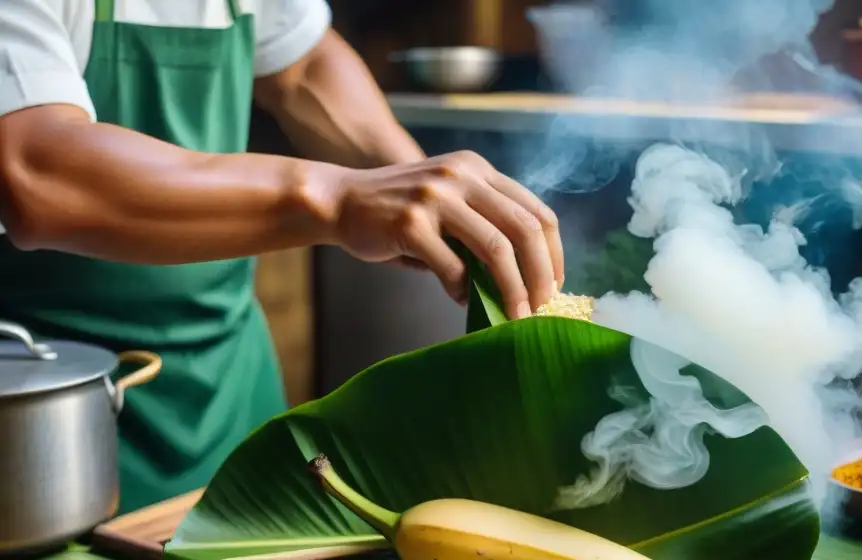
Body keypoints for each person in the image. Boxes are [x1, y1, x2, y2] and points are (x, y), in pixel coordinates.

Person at [0, 0, 565, 514]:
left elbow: (302, 66)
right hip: (46, 416)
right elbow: (37, 172)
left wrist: (422, 194)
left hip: (229, 383)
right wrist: (342, 198)